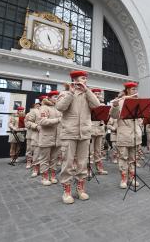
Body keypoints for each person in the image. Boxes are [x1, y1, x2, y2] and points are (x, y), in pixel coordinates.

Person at [56, 70, 101, 204]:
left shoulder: (87, 94)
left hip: (85, 133)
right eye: (83, 78)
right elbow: (60, 107)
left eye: (86, 79)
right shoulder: (64, 93)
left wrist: (87, 90)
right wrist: (71, 93)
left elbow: (97, 105)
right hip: (69, 133)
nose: (85, 80)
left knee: (82, 163)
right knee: (68, 163)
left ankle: (81, 189)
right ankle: (67, 191)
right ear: (75, 79)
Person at [110, 82, 143, 189]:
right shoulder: (120, 101)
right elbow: (114, 116)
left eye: (135, 89)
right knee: (123, 157)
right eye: (133, 89)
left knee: (133, 159)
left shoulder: (137, 102)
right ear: (127, 90)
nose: (135, 91)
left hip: (135, 135)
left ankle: (131, 178)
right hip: (124, 134)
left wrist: (140, 122)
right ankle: (123, 179)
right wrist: (114, 106)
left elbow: (141, 117)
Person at [37, 91, 61, 186]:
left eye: (58, 97)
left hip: (57, 138)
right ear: (49, 98)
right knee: (44, 159)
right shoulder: (44, 108)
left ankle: (53, 175)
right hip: (46, 138)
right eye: (55, 97)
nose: (57, 98)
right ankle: (44, 177)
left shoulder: (59, 108)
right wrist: (58, 120)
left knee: (54, 158)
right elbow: (42, 121)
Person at [89, 88, 108, 175]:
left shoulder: (103, 105)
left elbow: (107, 117)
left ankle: (99, 168)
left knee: (98, 150)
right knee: (90, 150)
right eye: (95, 94)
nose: (97, 95)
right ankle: (88, 168)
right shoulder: (89, 104)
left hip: (100, 130)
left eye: (99, 94)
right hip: (91, 130)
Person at [24, 102, 41, 169]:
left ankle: (37, 163)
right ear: (34, 107)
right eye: (37, 106)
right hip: (30, 134)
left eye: (39, 106)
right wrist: (35, 126)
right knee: (29, 149)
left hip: (38, 135)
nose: (38, 107)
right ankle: (29, 161)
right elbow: (27, 124)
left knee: (37, 150)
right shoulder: (28, 114)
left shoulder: (41, 113)